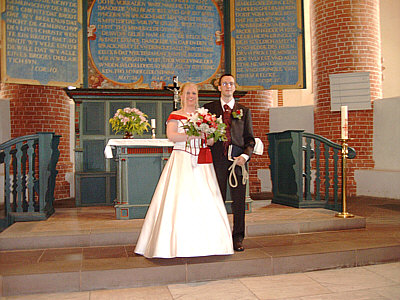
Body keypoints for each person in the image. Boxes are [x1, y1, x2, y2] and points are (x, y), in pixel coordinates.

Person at [134, 82, 234, 258]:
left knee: (206, 197)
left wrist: (209, 137)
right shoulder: (175, 115)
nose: (191, 96)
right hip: (182, 159)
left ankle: (212, 244)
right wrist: (193, 134)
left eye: (194, 93)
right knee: (180, 198)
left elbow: (210, 141)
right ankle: (173, 245)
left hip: (202, 162)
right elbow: (172, 136)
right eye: (187, 93)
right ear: (181, 96)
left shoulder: (204, 115)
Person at [204, 74, 255, 252]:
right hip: (216, 161)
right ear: (219, 87)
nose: (227, 86)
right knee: (216, 200)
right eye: (224, 83)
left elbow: (250, 140)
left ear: (234, 87)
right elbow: (204, 135)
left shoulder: (244, 111)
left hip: (237, 162)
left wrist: (245, 157)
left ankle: (238, 237)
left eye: (231, 84)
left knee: (239, 202)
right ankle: (217, 235)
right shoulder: (208, 109)